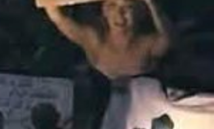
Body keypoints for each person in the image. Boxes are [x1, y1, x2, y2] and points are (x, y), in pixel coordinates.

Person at [42, 0, 172, 79]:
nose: (119, 14)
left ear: (140, 12)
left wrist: (151, 4)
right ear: (104, 11)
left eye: (128, 7)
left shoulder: (148, 44)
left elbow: (169, 38)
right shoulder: (94, 40)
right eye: (112, 5)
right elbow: (58, 18)